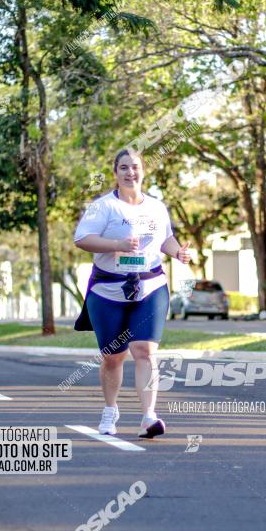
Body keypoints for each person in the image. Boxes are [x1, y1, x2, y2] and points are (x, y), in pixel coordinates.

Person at [73, 148, 191, 439]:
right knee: (114, 356)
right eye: (123, 167)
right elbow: (82, 239)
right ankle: (110, 409)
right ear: (115, 173)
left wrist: (178, 252)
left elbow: (165, 239)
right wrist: (117, 244)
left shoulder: (156, 207)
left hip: (149, 286)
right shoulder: (103, 207)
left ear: (143, 171)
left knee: (145, 350)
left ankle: (149, 416)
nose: (130, 172)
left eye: (135, 167)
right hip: (108, 290)